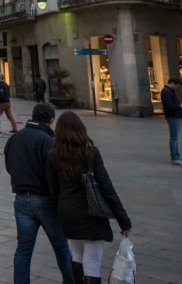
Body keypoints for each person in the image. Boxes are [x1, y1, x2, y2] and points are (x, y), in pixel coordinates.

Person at [46, 111, 131, 284]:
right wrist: (124, 221)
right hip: (91, 212)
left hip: (68, 211)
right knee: (92, 262)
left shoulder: (53, 156)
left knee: (77, 255)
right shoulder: (91, 153)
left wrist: (59, 214)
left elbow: (52, 190)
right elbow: (107, 188)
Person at [4, 103, 74, 284]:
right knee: (61, 246)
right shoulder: (48, 141)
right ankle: (71, 280)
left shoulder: (15, 138)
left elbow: (9, 166)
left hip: (21, 199)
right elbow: (57, 173)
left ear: (33, 116)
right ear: (50, 121)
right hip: (45, 200)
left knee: (24, 249)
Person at [160, 76, 182, 166]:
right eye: (176, 86)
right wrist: (180, 106)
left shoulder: (169, 91)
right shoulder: (166, 92)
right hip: (172, 116)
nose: (176, 88)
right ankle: (175, 158)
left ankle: (177, 157)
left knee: (174, 138)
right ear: (172, 83)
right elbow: (169, 106)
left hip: (174, 116)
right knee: (174, 138)